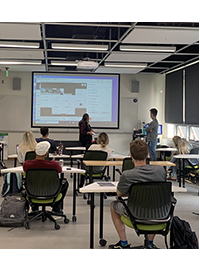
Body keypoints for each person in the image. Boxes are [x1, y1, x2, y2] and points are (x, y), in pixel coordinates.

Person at [109, 139, 166, 249]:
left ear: (130, 155)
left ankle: (124, 243)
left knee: (113, 205)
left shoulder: (128, 175)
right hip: (160, 214)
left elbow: (119, 194)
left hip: (136, 214)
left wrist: (132, 193)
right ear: (147, 154)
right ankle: (150, 242)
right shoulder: (160, 170)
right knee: (156, 203)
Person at [23, 141, 69, 213]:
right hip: (51, 192)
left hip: (33, 193)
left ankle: (35, 208)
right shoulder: (53, 164)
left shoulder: (27, 164)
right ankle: (56, 209)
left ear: (35, 151)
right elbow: (60, 170)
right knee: (65, 183)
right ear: (47, 153)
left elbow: (25, 171)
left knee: (28, 182)